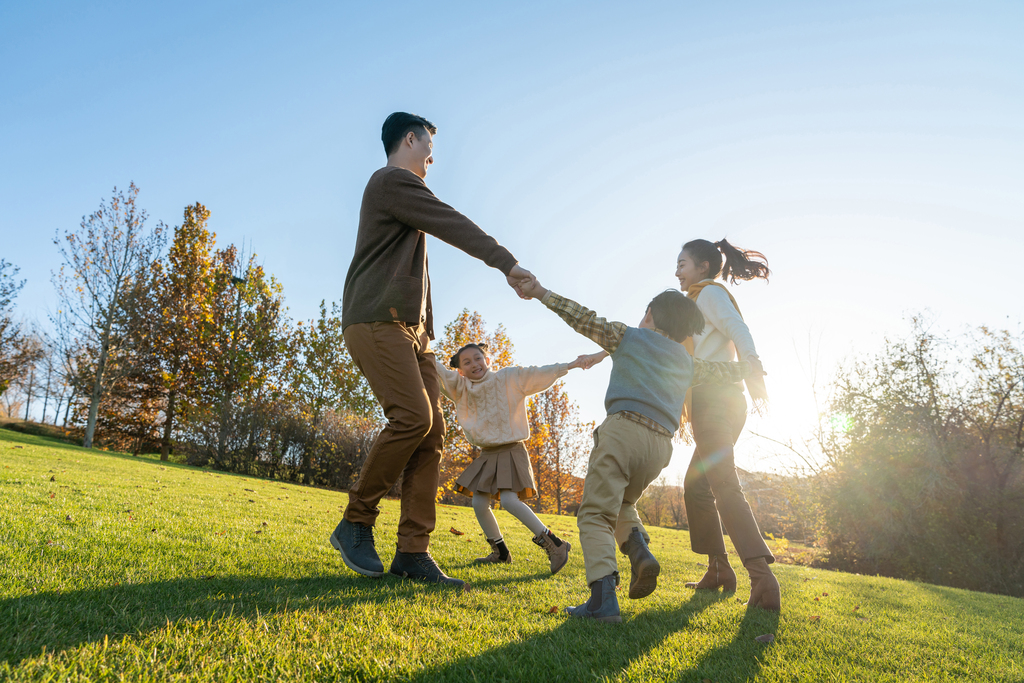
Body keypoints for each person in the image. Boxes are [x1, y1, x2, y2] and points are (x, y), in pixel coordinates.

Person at [332, 112, 532, 589]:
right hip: (376, 320)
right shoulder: (391, 181)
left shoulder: (402, 195)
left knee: (431, 433)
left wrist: (426, 331)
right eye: (429, 148)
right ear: (409, 138)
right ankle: (356, 520)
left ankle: (412, 552)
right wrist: (508, 264)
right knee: (413, 418)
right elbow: (453, 223)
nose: (431, 159)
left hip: (411, 333)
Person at [518, 275, 761, 623]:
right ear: (686, 333)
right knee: (624, 503)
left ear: (648, 315)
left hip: (623, 432)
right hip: (660, 447)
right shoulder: (687, 361)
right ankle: (639, 550)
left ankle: (602, 600)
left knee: (595, 514)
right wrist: (749, 367)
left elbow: (581, 317)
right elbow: (722, 371)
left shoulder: (627, 336)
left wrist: (540, 292)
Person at [674, 238, 779, 612]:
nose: (677, 272)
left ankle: (762, 579)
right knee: (697, 486)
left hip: (717, 398)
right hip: (713, 400)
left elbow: (738, 328)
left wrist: (753, 367)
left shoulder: (710, 295)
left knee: (721, 483)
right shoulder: (693, 303)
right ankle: (719, 569)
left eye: (682, 263)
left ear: (703, 266)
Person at [436, 342, 604, 573]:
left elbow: (539, 372)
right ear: (461, 370)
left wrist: (573, 364)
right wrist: (416, 347)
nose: (475, 364)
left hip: (511, 449)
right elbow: (437, 370)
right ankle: (501, 553)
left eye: (478, 358)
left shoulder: (508, 378)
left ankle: (555, 544)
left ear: (487, 361)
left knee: (509, 500)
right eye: (467, 362)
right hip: (488, 453)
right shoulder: (460, 387)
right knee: (478, 502)